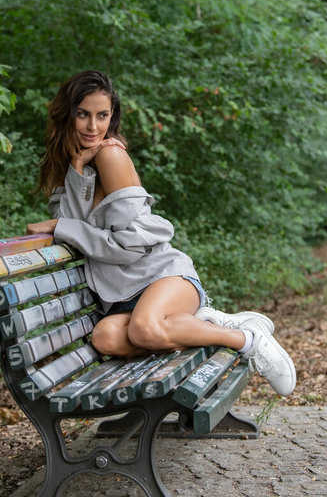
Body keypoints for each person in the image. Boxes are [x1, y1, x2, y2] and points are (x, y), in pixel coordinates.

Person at [26, 70, 296, 397]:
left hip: (160, 276)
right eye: (83, 114)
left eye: (102, 116)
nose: (93, 127)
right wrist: (77, 170)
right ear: (67, 114)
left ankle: (249, 340)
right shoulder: (71, 164)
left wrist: (62, 227)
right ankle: (203, 325)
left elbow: (127, 245)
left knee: (145, 330)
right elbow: (71, 222)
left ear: (112, 117)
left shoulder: (111, 156)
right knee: (105, 338)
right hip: (120, 296)